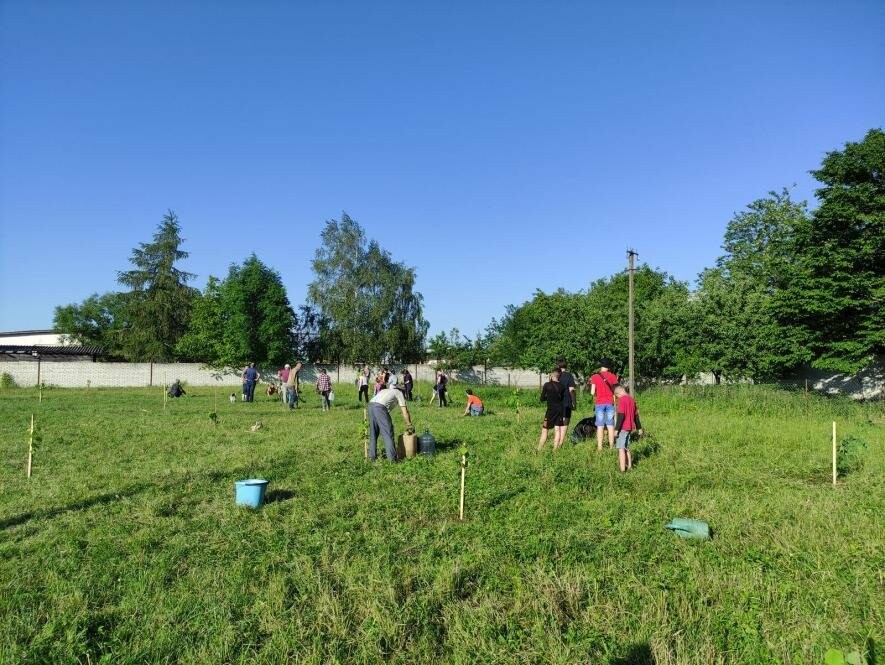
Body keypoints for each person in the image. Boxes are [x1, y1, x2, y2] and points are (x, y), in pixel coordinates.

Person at [368, 380, 414, 462]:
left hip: (371, 405)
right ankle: (392, 460)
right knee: (388, 433)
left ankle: (372, 457)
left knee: (373, 433)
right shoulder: (399, 393)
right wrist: (409, 424)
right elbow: (405, 411)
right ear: (402, 391)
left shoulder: (386, 390)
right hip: (380, 408)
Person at [588, 359, 618, 450]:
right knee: (610, 425)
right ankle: (611, 446)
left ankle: (600, 448)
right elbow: (616, 390)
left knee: (600, 426)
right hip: (610, 403)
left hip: (600, 403)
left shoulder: (595, 377)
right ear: (608, 367)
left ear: (601, 366)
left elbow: (592, 392)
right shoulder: (613, 376)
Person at [613, 383, 643, 472]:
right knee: (626, 447)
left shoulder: (622, 400)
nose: (617, 398)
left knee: (621, 449)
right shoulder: (632, 400)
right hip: (630, 428)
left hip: (622, 428)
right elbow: (636, 416)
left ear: (618, 393)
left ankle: (622, 470)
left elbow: (621, 416)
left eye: (616, 396)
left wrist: (616, 430)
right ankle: (630, 466)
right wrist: (639, 428)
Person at [538, 368, 566, 450]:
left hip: (550, 411)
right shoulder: (562, 386)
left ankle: (539, 449)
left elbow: (542, 399)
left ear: (551, 375)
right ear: (559, 376)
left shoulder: (547, 385)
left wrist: (549, 397)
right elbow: (563, 400)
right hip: (560, 410)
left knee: (545, 430)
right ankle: (555, 450)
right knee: (557, 430)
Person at [557, 358, 577, 429]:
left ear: (558, 365)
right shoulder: (569, 376)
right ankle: (562, 438)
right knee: (565, 420)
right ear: (566, 365)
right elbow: (572, 390)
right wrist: (574, 403)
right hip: (567, 402)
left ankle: (557, 437)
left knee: (558, 421)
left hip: (557, 402)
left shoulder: (555, 375)